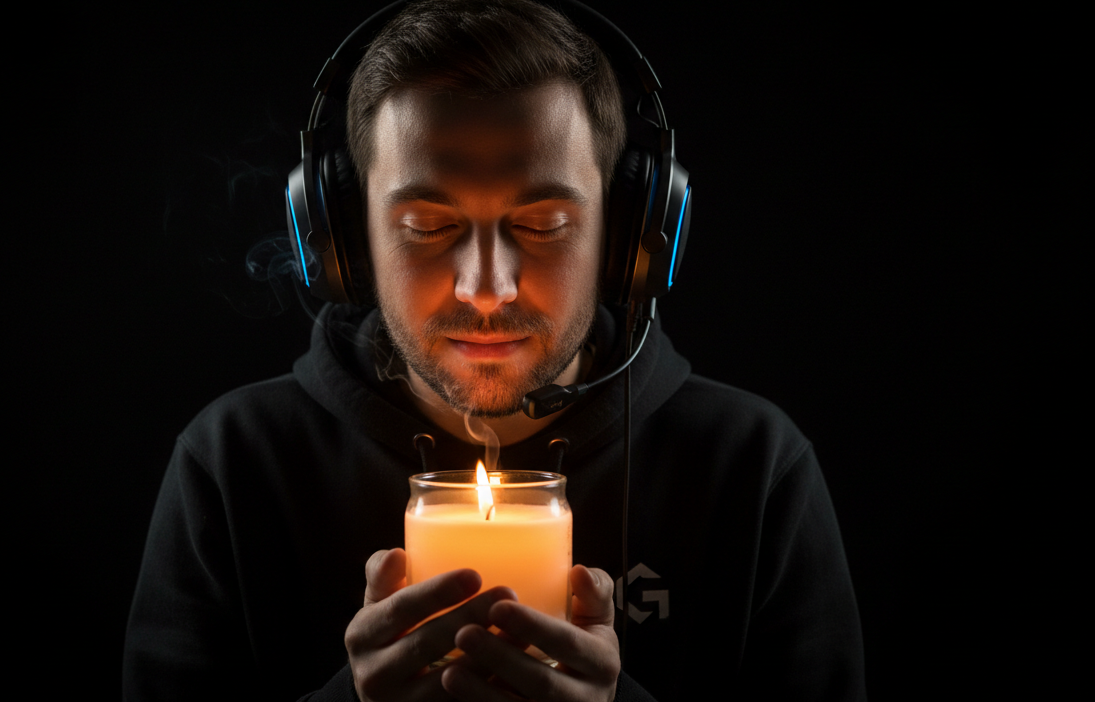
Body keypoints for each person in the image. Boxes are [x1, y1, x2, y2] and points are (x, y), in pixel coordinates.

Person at [123, 1, 866, 700]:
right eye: (425, 226)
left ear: (630, 237)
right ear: (342, 243)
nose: (486, 288)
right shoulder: (230, 464)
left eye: (542, 226)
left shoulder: (755, 468)